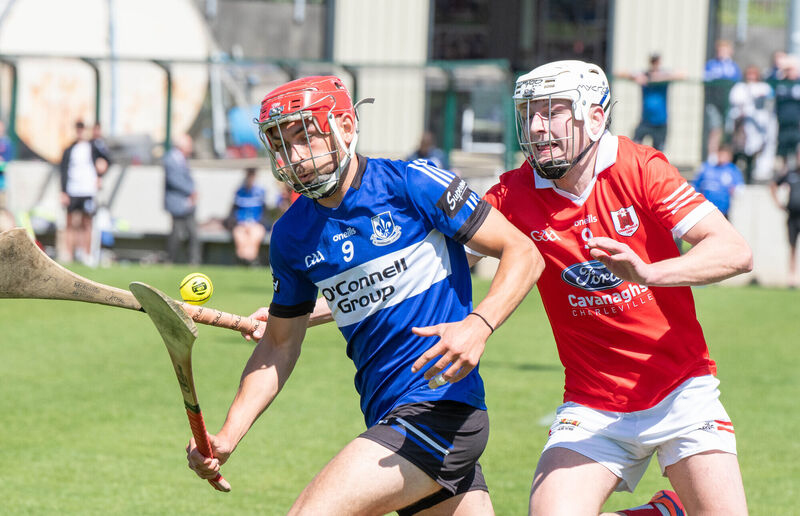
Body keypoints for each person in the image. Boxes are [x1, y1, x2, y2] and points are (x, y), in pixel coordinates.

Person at [185, 75, 543, 515]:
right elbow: (279, 343)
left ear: (347, 128)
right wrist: (228, 434)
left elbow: (524, 252)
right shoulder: (292, 235)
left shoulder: (412, 184)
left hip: (440, 409)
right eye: (281, 146)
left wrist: (479, 324)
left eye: (304, 138)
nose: (294, 157)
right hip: (386, 413)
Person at [475, 59, 752, 516]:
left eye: (553, 111)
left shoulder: (641, 168)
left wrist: (648, 273)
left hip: (680, 390)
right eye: (530, 113)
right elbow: (437, 264)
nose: (538, 126)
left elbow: (734, 250)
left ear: (595, 116)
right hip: (593, 404)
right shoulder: (511, 195)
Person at [59, 120, 110, 265]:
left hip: (88, 190)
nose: (80, 132)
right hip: (72, 189)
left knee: (86, 222)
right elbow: (63, 171)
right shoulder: (69, 149)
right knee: (70, 222)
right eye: (78, 129)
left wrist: (101, 174)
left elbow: (107, 159)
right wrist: (63, 191)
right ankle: (68, 254)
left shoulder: (93, 147)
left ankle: (86, 254)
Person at [619, 53, 686, 151]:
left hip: (661, 123)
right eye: (652, 62)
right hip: (645, 121)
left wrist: (656, 79)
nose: (654, 64)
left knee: (658, 154)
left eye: (656, 62)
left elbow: (682, 74)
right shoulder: (644, 74)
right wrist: (635, 77)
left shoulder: (664, 75)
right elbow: (620, 72)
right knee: (633, 148)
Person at [727, 64, 775, 183]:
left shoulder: (764, 87)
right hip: (742, 127)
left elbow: (769, 97)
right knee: (739, 153)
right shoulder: (739, 87)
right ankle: (735, 178)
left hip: (758, 127)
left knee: (755, 153)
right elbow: (735, 102)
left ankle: (751, 177)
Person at [163, 134, 201, 264]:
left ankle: (194, 260)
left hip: (188, 203)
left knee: (193, 232)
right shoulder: (171, 159)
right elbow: (173, 180)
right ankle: (170, 259)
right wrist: (190, 191)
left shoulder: (183, 159)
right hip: (176, 203)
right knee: (176, 233)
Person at [704, 40, 742, 160]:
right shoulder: (711, 64)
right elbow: (707, 78)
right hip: (715, 102)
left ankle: (727, 158)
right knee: (715, 129)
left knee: (729, 132)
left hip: (729, 104)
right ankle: (712, 158)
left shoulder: (733, 67)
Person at [770, 147, 800, 288]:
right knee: (792, 247)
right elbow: (773, 184)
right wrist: (778, 203)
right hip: (793, 217)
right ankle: (792, 278)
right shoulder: (790, 173)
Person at [226, 167, 267, 265]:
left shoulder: (260, 192)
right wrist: (240, 223)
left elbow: (264, 214)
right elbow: (233, 213)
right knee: (240, 236)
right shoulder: (239, 192)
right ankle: (244, 260)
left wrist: (254, 223)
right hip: (241, 223)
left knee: (254, 235)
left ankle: (250, 260)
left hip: (256, 224)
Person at [692, 143, 745, 219]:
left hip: (722, 212)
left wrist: (733, 190)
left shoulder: (733, 170)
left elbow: (740, 189)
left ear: (729, 156)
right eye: (720, 153)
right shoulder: (706, 167)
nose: (721, 157)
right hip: (704, 210)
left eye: (724, 154)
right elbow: (696, 186)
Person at [773, 58, 800, 173]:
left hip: (797, 123)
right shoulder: (780, 84)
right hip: (783, 123)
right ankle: (785, 175)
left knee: (797, 150)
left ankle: (796, 174)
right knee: (783, 150)